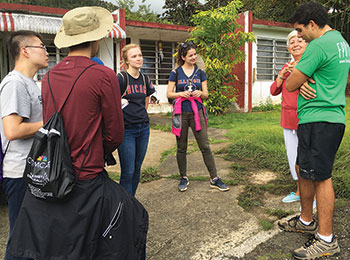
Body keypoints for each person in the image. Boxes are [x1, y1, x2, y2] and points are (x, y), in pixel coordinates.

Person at [9, 7, 148, 259]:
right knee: (135, 218)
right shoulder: (103, 75)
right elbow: (115, 133)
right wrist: (99, 150)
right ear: (96, 39)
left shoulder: (49, 76)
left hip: (55, 171)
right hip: (88, 174)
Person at [278, 2, 350, 259]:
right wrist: (305, 76)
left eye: (300, 30)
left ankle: (326, 239)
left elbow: (291, 84)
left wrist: (300, 76)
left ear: (312, 24)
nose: (299, 37)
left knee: (321, 177)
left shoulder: (318, 45)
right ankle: (306, 221)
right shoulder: (340, 41)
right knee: (305, 172)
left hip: (321, 119)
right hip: (322, 118)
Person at [0, 30, 48, 260]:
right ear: (25, 51)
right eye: (42, 46)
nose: (47, 51)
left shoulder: (29, 83)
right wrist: (48, 124)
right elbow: (12, 130)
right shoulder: (14, 84)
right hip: (19, 173)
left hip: (30, 170)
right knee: (21, 237)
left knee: (31, 234)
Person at [167, 42, 229, 192]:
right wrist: (180, 94)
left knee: (205, 146)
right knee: (181, 147)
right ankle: (183, 177)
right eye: (190, 55)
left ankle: (214, 178)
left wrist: (200, 93)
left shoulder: (200, 72)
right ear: (183, 57)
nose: (194, 57)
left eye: (195, 54)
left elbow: (206, 94)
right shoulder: (176, 73)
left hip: (197, 112)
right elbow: (169, 93)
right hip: (181, 112)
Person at [270, 30, 307, 203]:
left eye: (300, 40)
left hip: (306, 119)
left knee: (307, 158)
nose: (296, 44)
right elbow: (274, 90)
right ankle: (299, 192)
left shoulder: (311, 66)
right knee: (293, 157)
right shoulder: (286, 67)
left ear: (307, 44)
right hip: (288, 119)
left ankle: (311, 195)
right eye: (292, 42)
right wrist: (281, 75)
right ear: (288, 48)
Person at [117, 44, 155, 196]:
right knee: (128, 171)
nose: (138, 58)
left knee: (137, 168)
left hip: (143, 129)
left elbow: (146, 100)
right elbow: (112, 103)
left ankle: (131, 203)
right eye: (134, 56)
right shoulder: (121, 78)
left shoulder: (145, 78)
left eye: (139, 55)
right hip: (127, 131)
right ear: (126, 61)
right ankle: (124, 207)